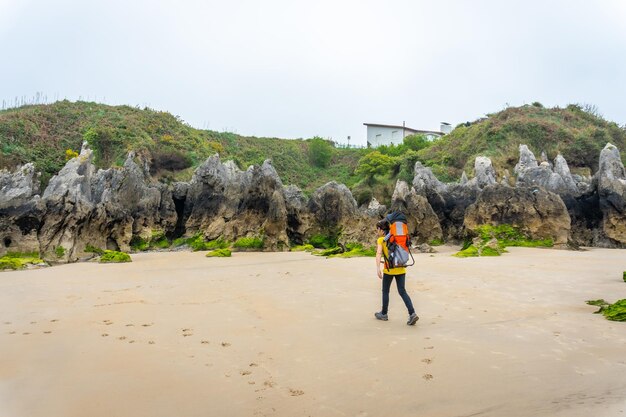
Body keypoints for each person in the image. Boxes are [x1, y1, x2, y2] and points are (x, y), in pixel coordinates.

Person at [374, 219, 419, 325]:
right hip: (401, 267)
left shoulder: (381, 240)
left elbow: (378, 253)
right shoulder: (397, 239)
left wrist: (377, 268)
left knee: (385, 291)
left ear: (381, 230)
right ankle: (412, 313)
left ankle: (384, 314)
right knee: (402, 291)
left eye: (377, 229)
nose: (377, 232)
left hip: (389, 270)